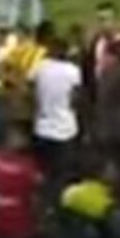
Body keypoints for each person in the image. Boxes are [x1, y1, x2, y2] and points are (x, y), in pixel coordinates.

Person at [31, 36, 81, 193]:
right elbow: (75, 98)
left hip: (42, 127)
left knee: (44, 171)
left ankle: (44, 200)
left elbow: (30, 87)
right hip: (65, 129)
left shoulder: (40, 67)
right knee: (62, 174)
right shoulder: (72, 71)